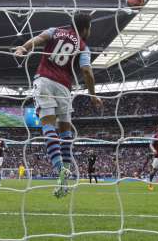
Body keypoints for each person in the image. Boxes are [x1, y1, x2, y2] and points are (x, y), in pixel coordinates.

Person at [13, 12, 101, 198]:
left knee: (48, 126)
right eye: (91, 28)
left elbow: (38, 39)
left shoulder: (55, 31)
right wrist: (92, 95)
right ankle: (64, 178)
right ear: (85, 28)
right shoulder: (83, 46)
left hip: (44, 80)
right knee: (66, 132)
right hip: (64, 88)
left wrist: (23, 48)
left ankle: (60, 169)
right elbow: (86, 71)